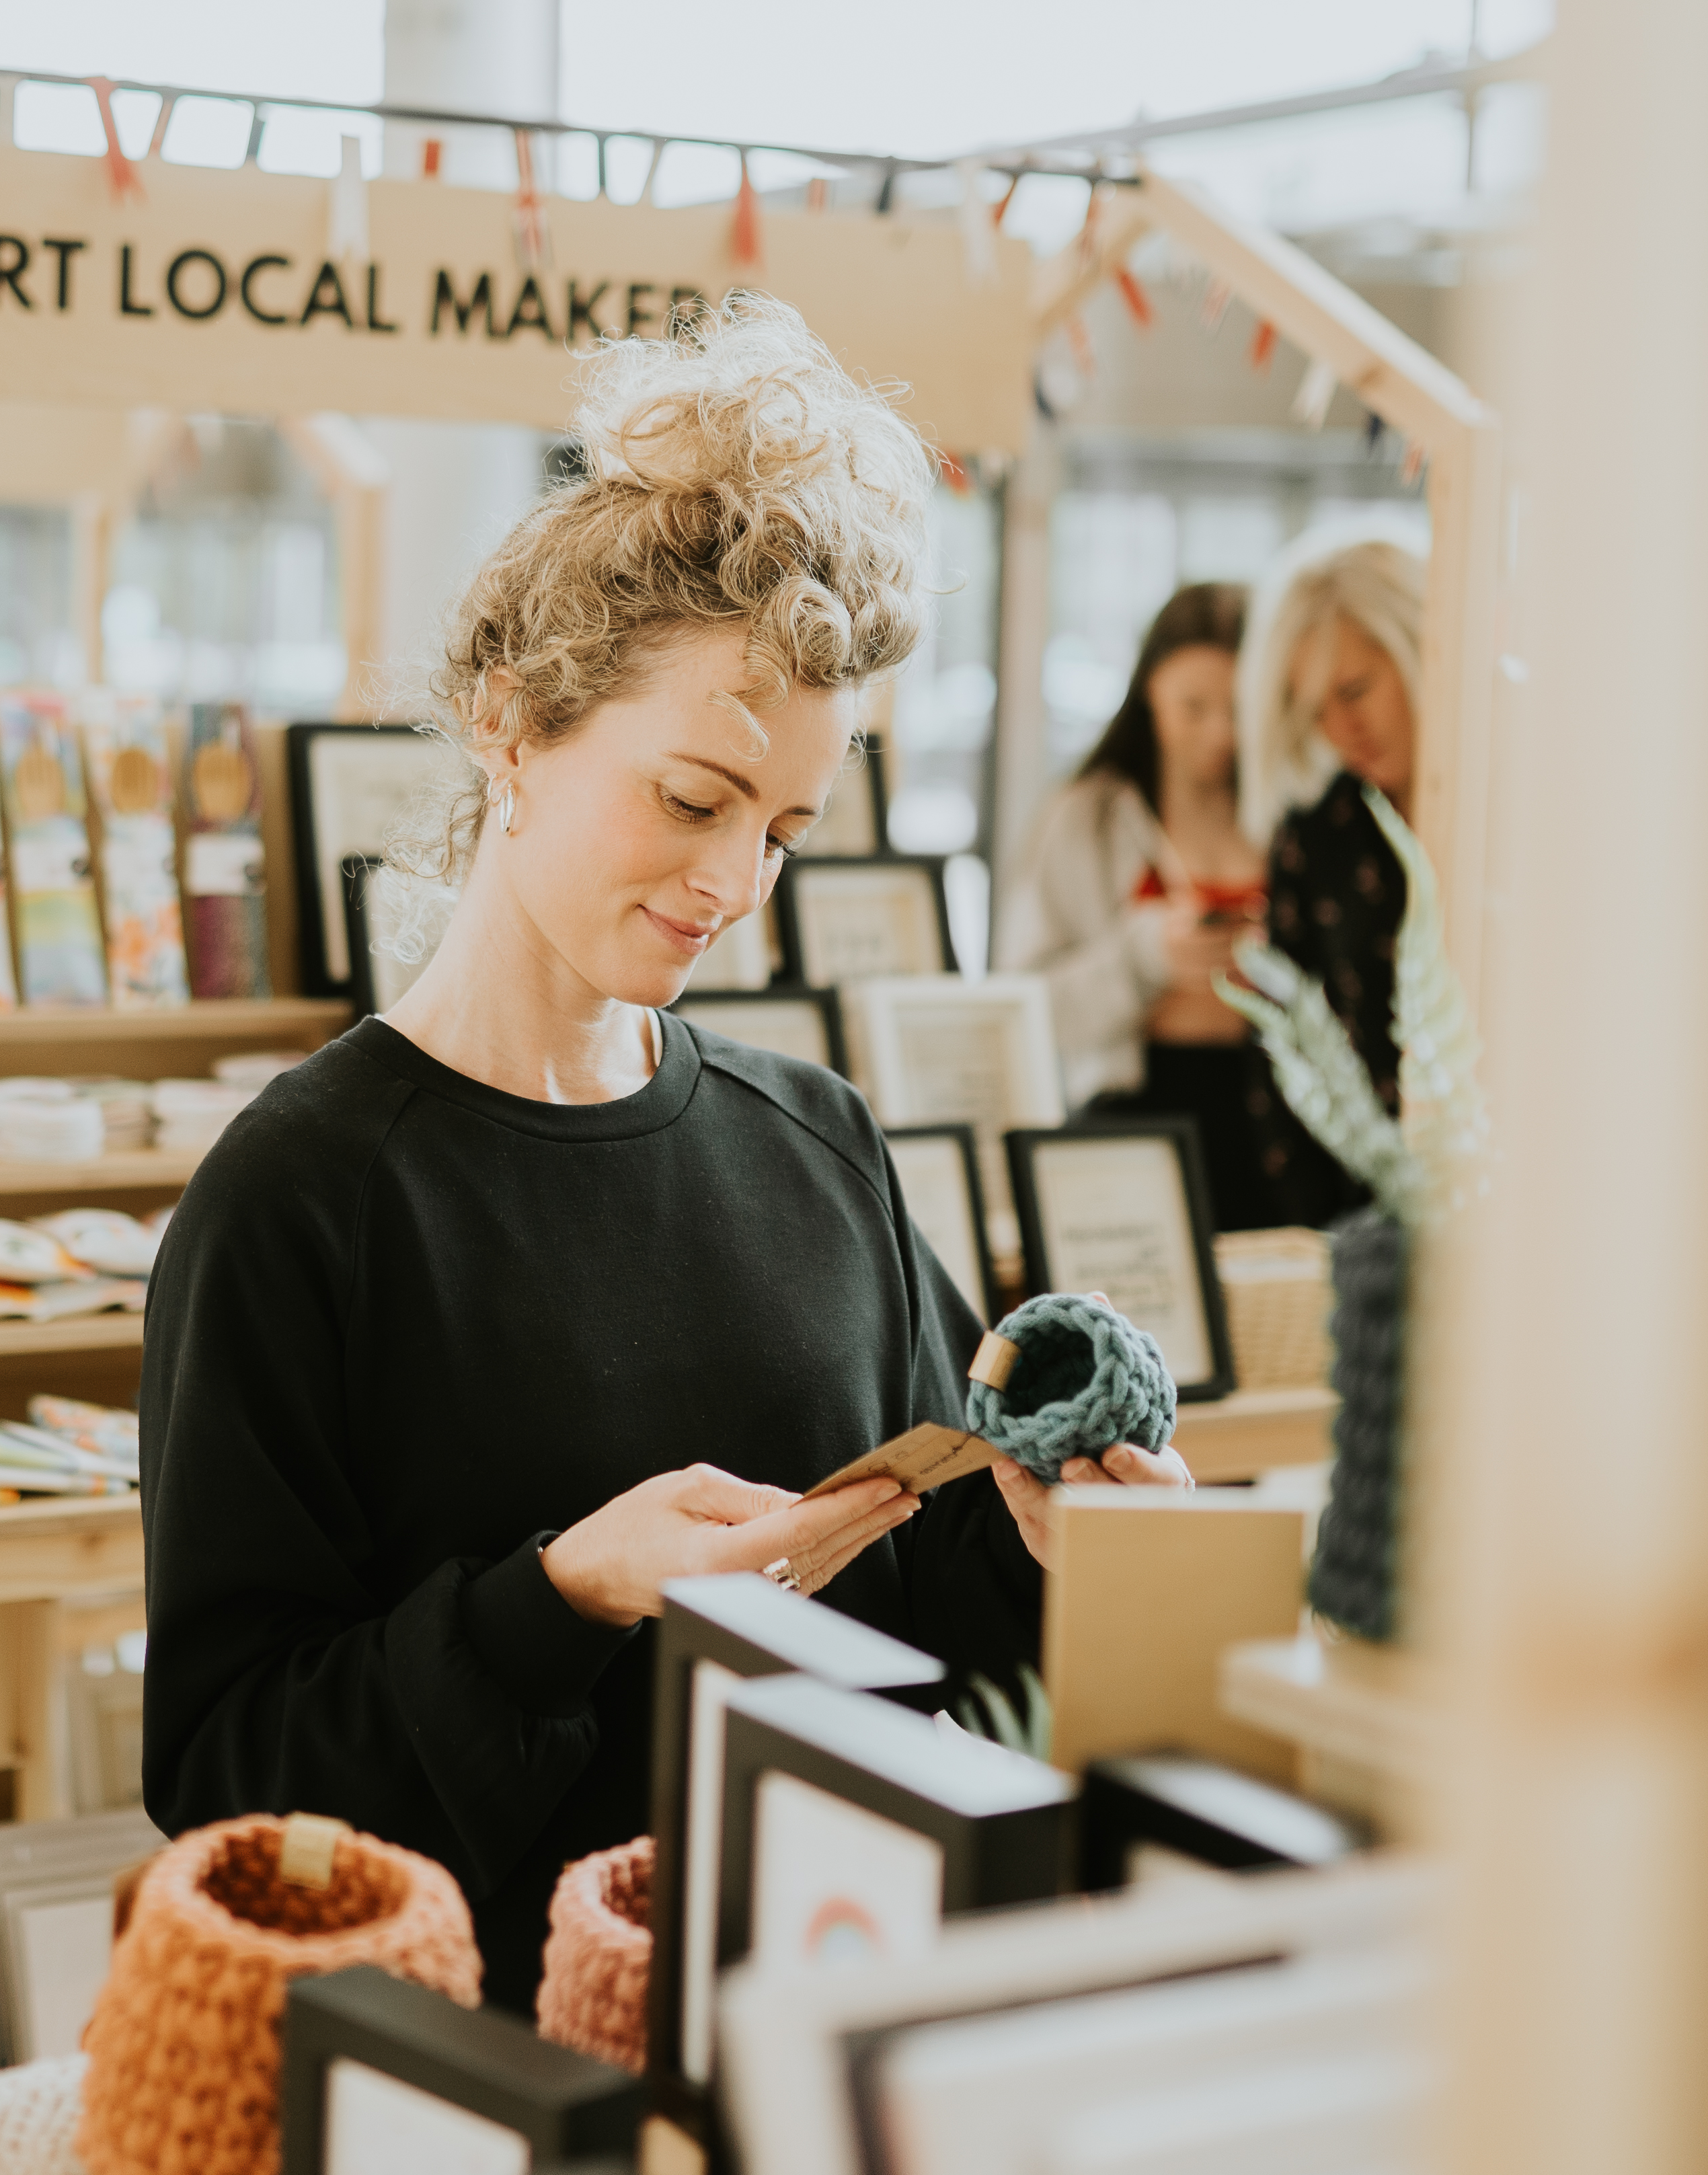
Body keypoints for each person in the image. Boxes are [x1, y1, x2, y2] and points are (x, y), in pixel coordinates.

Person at [135, 296, 1194, 2012]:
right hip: (487, 2079)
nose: (736, 885)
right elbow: (227, 1776)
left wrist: (1058, 1550)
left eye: (785, 830)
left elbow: (933, 1615)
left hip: (834, 2028)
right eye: (694, 802)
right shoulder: (302, 1200)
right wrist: (564, 1598)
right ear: (510, 724)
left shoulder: (819, 1143)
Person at [1003, 583, 1291, 1230]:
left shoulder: (1292, 814)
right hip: (1132, 1117)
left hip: (1278, 1129)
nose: (1220, 732)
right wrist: (1146, 955)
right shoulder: (1089, 818)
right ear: (1148, 692)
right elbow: (1024, 1012)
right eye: (1194, 706)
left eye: (1239, 708)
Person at [1237, 531, 1429, 1227]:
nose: (1343, 728)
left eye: (1355, 690)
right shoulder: (1317, 842)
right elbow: (1282, 1067)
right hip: (1361, 1232)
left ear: (1422, 650)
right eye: (1316, 708)